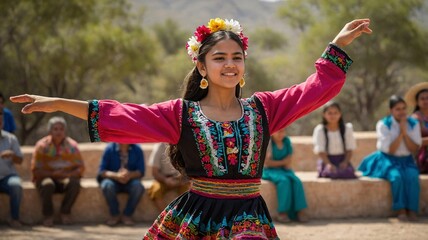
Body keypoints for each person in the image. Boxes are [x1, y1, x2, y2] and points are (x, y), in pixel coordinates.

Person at [10, 18, 372, 238]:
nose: (229, 65)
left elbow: (314, 90)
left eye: (237, 58)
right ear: (201, 67)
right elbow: (119, 115)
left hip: (248, 216)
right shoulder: (180, 115)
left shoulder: (265, 109)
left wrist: (337, 46)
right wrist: (59, 103)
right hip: (197, 216)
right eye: (219, 58)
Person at [358, 95, 421, 221]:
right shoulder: (383, 124)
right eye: (398, 109)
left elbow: (414, 148)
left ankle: (412, 209)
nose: (402, 112)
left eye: (404, 108)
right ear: (391, 110)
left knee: (413, 176)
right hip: (388, 159)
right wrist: (401, 133)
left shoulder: (413, 123)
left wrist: (405, 133)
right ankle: (401, 209)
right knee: (396, 177)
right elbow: (391, 150)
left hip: (407, 160)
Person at [31, 116, 84, 227]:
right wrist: (52, 174)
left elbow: (80, 168)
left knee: (75, 183)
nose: (58, 132)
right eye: (55, 129)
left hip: (65, 179)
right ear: (50, 131)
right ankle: (48, 215)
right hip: (46, 178)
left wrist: (67, 174)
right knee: (47, 184)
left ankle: (65, 212)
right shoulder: (42, 146)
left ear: (65, 130)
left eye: (61, 129)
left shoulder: (72, 146)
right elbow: (36, 170)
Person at [262, 128, 308, 223]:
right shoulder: (269, 142)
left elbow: (288, 160)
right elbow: (267, 162)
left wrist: (279, 163)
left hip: (284, 170)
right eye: (278, 131)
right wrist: (282, 162)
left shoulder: (286, 141)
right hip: (269, 171)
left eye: (283, 131)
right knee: (284, 181)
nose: (280, 134)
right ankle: (282, 212)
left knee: (296, 181)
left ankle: (300, 211)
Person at [97, 142, 145, 226]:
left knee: (138, 187)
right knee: (107, 185)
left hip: (130, 181)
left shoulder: (137, 149)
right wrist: (116, 176)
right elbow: (102, 171)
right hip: (113, 181)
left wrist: (129, 175)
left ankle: (127, 215)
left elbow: (141, 171)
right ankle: (114, 214)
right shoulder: (109, 149)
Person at [312, 101, 357, 179]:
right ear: (324, 114)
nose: (333, 116)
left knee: (347, 173)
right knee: (331, 173)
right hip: (327, 160)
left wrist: (345, 162)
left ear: (340, 114)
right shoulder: (320, 130)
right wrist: (328, 164)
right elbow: (320, 151)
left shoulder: (347, 129)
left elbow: (350, 149)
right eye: (329, 113)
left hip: (342, 160)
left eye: (335, 113)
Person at [147, 142, 190, 212]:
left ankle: (182, 216)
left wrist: (181, 181)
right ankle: (165, 216)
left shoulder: (183, 144)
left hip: (180, 178)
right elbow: (154, 172)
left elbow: (188, 169)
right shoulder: (159, 146)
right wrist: (165, 180)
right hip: (163, 178)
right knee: (156, 191)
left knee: (190, 190)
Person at [0, 109, 24, 228]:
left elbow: (20, 160)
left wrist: (12, 155)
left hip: (7, 177)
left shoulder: (11, 138)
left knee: (16, 185)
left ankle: (14, 218)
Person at [405, 82, 428, 173]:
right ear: (417, 102)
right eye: (422, 99)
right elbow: (413, 142)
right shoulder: (414, 119)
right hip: (422, 154)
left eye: (427, 98)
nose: (425, 101)